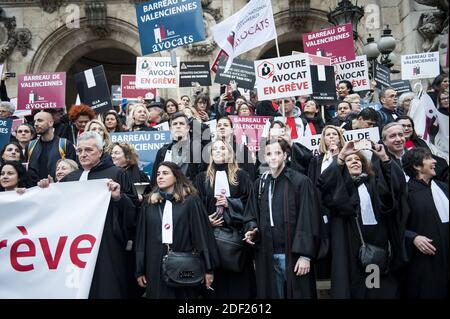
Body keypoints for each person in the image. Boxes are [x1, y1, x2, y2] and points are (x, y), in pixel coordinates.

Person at [42, 131, 138, 298]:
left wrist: (118, 198)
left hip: (106, 245)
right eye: (79, 151)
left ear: (100, 152)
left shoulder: (117, 174)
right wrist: (44, 190)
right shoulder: (70, 178)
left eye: (88, 150)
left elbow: (133, 210)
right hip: (74, 246)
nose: (83, 154)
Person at [318, 140, 402, 298]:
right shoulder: (339, 185)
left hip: (375, 243)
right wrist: (341, 156)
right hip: (348, 241)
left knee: (373, 286)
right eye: (349, 160)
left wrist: (384, 157)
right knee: (351, 285)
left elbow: (393, 190)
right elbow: (324, 183)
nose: (354, 162)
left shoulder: (373, 183)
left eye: (357, 160)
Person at [244, 139, 322, 299]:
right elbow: (252, 213)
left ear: (286, 155)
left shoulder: (300, 181)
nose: (273, 157)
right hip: (267, 254)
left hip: (294, 255)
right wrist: (252, 229)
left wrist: (305, 255)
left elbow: (308, 218)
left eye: (277, 153)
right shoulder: (260, 184)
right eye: (269, 154)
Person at [135, 162, 217, 299]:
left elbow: (202, 235)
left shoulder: (191, 201)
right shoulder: (149, 203)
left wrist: (208, 268)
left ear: (176, 177)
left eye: (165, 173)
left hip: (185, 263)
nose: (160, 177)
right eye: (158, 174)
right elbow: (141, 238)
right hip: (154, 264)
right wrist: (139, 270)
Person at [194, 139, 256, 299]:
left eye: (223, 148)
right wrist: (205, 220)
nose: (219, 151)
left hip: (236, 238)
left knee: (239, 285)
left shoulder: (241, 176)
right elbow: (195, 206)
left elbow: (250, 204)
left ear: (229, 153)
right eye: (215, 149)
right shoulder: (202, 178)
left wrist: (231, 204)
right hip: (211, 237)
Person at [401, 148, 448, 298]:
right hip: (425, 262)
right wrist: (413, 237)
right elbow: (397, 226)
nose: (434, 161)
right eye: (428, 158)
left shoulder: (443, 187)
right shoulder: (406, 192)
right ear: (417, 166)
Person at [150, 112, 205, 189]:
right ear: (170, 128)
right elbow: (155, 178)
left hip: (189, 195)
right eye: (175, 124)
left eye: (181, 124)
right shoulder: (163, 151)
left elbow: (202, 178)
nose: (178, 126)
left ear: (188, 128)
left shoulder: (198, 149)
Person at [26, 111, 77, 180]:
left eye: (40, 121)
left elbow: (73, 170)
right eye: (34, 121)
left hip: (59, 187)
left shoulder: (65, 144)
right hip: (36, 188)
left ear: (51, 123)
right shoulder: (30, 146)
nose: (35, 124)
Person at [213, 116, 256, 181]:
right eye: (219, 125)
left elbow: (250, 174)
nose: (222, 127)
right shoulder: (210, 150)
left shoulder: (241, 149)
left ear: (232, 130)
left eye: (226, 125)